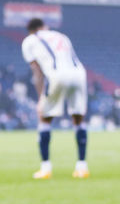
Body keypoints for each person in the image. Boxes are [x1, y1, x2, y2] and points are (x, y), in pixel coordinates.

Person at [22, 18, 89, 179]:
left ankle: (45, 168)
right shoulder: (61, 36)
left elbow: (37, 72)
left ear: (31, 30)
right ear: (44, 27)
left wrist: (40, 99)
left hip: (57, 75)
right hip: (79, 73)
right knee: (78, 118)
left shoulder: (30, 40)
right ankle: (82, 167)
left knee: (45, 119)